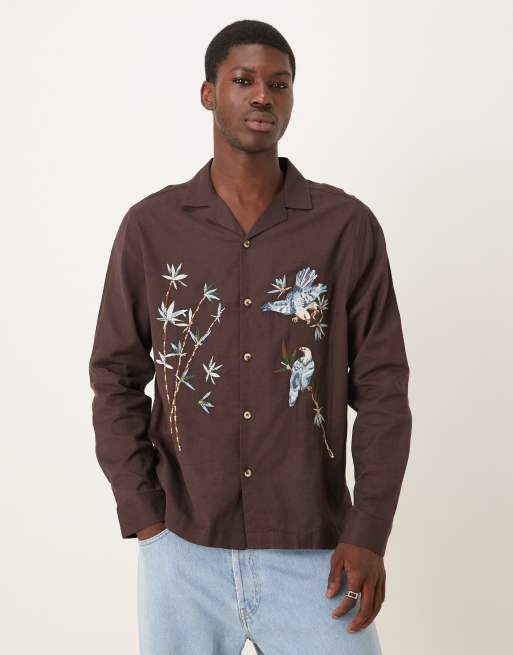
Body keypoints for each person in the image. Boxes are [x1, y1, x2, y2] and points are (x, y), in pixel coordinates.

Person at [89, 19, 412, 655]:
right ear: (209, 93)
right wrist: (144, 513)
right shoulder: (153, 228)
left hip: (316, 554)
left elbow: (382, 389)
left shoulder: (345, 228)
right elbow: (115, 375)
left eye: (279, 83)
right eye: (244, 80)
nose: (263, 95)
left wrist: (369, 529)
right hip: (182, 549)